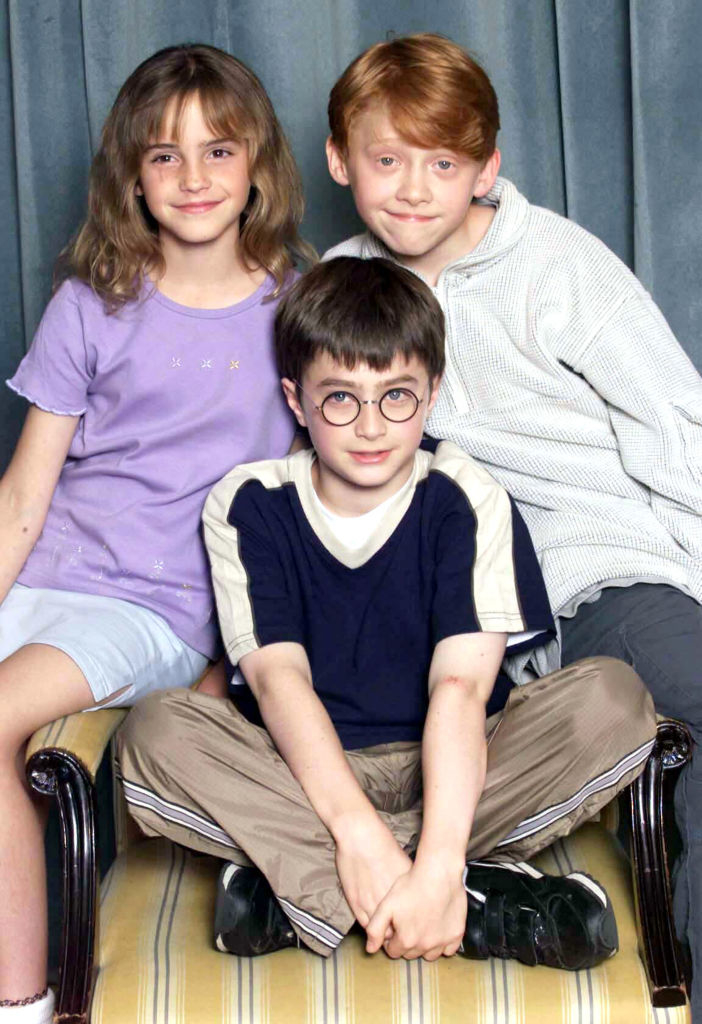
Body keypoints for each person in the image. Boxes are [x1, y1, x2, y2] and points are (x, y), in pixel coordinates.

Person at [117, 257, 656, 970]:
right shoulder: (248, 502)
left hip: (465, 763)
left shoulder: (467, 495)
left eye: (395, 396)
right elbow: (280, 683)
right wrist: (362, 837)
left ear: (431, 395)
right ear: (296, 400)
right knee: (155, 733)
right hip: (304, 769)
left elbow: (459, 690)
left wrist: (432, 858)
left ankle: (311, 891)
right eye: (340, 398)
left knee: (614, 701)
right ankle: (477, 905)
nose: (370, 426)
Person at [322, 31, 702, 1014]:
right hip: (469, 607)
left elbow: (678, 437)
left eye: (441, 163)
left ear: (486, 165)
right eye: (387, 160)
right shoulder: (342, 288)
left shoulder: (561, 267)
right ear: (339, 162)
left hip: (602, 569)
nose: (411, 190)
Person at [0, 43, 312, 1024]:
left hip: (153, 604)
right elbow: (22, 500)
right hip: (50, 571)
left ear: (258, 165)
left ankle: (20, 998)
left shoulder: (299, 309)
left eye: (217, 152)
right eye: (164, 156)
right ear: (131, 174)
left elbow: (314, 511)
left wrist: (235, 665)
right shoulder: (90, 304)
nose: (191, 179)